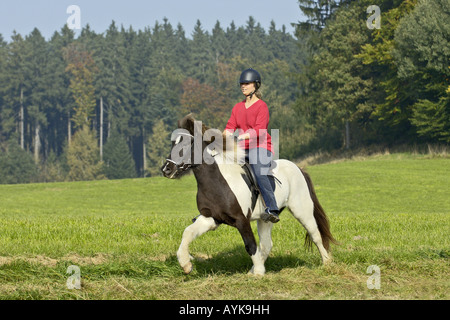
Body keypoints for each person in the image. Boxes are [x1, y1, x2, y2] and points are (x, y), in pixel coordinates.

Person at [223, 68, 280, 223]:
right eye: (242, 83)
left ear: (255, 85)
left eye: (247, 83)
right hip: (242, 148)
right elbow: (230, 127)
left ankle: (272, 208)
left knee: (260, 172)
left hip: (261, 147)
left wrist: (241, 136)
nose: (243, 86)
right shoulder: (237, 107)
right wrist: (221, 137)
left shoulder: (262, 106)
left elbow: (260, 130)